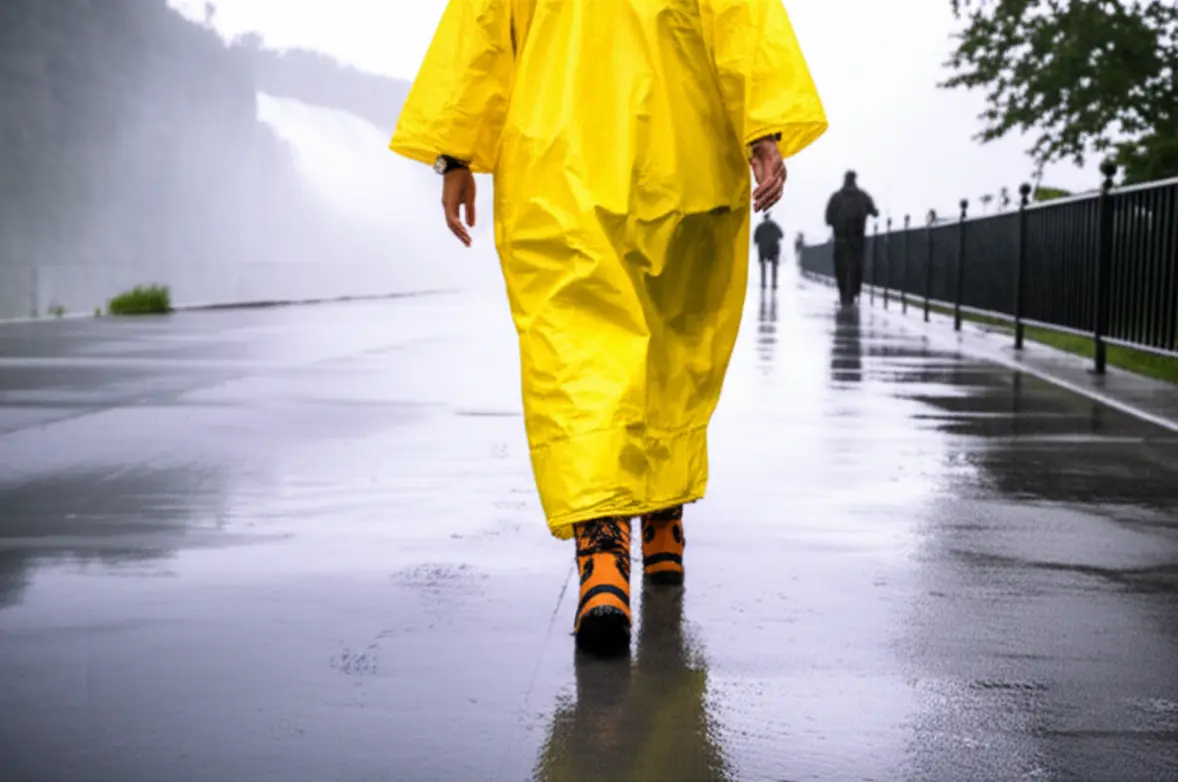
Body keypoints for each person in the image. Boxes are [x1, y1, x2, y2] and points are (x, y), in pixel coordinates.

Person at [390, 0, 827, 656]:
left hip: (558, 155)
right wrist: (763, 125)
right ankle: (637, 536)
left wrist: (454, 153)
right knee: (655, 349)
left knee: (585, 357)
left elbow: (481, 24)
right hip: (677, 149)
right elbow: (742, 17)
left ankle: (621, 544)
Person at [825, 170, 878, 306]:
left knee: (840, 266)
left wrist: (837, 222)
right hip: (857, 238)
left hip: (840, 238)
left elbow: (828, 219)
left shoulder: (836, 197)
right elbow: (874, 212)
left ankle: (843, 293)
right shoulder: (863, 196)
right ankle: (854, 292)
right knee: (857, 265)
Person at [753, 212, 784, 290]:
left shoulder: (760, 227)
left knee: (763, 268)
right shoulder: (774, 226)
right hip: (773, 250)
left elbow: (755, 239)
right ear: (769, 217)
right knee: (774, 269)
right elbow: (781, 235)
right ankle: (774, 284)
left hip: (763, 250)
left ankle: (763, 284)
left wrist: (761, 242)